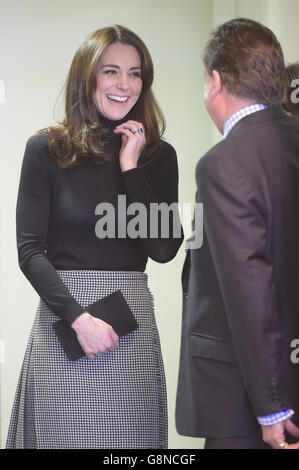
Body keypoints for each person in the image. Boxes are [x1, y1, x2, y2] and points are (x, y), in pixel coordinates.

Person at [6, 25, 183, 449]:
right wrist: (80, 320)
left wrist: (131, 168)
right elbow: (30, 251)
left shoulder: (158, 156)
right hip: (66, 323)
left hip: (130, 332)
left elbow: (163, 249)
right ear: (88, 77)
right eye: (111, 72)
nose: (125, 85)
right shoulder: (47, 148)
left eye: (135, 73)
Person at [175, 18, 299, 449]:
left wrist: (272, 407)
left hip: (248, 404)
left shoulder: (223, 163)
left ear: (215, 81)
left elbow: (250, 288)